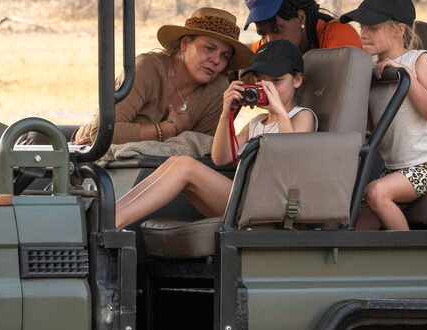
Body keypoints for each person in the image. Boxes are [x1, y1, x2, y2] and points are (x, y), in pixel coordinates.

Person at [115, 39, 317, 229]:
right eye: (260, 82)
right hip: (251, 200)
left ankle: (114, 220)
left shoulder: (301, 116)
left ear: (297, 80)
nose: (266, 88)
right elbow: (221, 158)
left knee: (186, 166)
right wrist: (226, 113)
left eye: (276, 81)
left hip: (273, 206)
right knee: (176, 162)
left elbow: (290, 163)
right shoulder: (256, 124)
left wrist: (280, 112)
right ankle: (111, 217)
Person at [340, 0, 427, 230]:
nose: (363, 34)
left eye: (372, 28)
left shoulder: (418, 60)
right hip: (394, 170)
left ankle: (408, 263)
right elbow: (372, 128)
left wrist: (405, 75)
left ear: (399, 30)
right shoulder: (373, 72)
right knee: (352, 221)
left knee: (376, 193)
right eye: (362, 27)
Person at [73, 7, 254, 146]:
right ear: (184, 45)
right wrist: (168, 129)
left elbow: (203, 149)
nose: (216, 60)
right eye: (209, 48)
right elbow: (101, 133)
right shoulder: (147, 69)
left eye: (225, 56)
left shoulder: (217, 91)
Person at [243, 0, 363, 53]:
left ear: (300, 17)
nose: (269, 41)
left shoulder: (338, 35)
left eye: (277, 30)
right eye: (262, 35)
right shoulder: (264, 46)